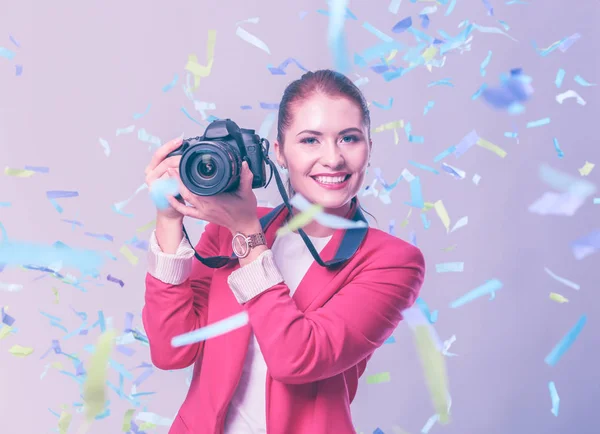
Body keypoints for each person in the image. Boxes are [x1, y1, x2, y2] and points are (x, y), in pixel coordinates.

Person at [142, 69, 425, 434]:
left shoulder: (393, 262)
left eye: (349, 139)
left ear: (369, 147)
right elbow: (170, 351)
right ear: (278, 151)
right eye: (310, 140)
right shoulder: (225, 230)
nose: (333, 159)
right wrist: (168, 220)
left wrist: (246, 234)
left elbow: (296, 358)